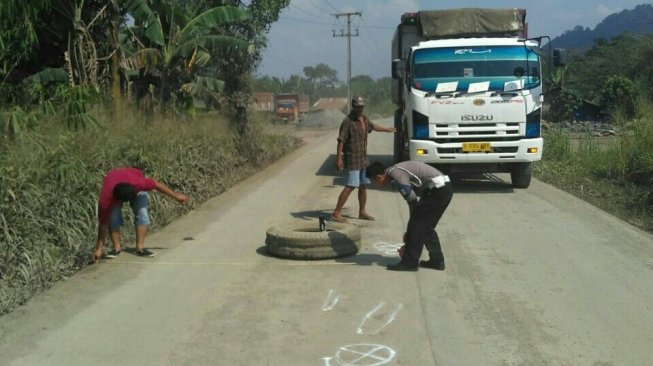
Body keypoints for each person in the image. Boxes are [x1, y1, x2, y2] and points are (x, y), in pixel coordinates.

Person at [366, 161, 453, 272]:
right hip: (442, 189)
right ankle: (437, 261)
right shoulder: (394, 171)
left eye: (374, 181)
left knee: (417, 225)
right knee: (426, 227)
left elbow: (412, 200)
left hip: (438, 190)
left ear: (378, 177)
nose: (376, 184)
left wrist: (409, 237)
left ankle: (409, 262)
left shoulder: (395, 174)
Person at [91, 167, 189, 262]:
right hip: (114, 182)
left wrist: (176, 196)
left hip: (133, 178)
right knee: (113, 216)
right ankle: (116, 248)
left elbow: (157, 185)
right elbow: (103, 223)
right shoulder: (106, 198)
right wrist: (99, 248)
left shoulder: (139, 183)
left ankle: (140, 248)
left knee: (142, 212)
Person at [332, 96, 395, 223]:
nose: (360, 109)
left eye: (362, 106)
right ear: (353, 107)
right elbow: (341, 140)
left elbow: (373, 126)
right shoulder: (347, 121)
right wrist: (339, 158)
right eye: (358, 106)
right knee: (350, 186)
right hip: (353, 159)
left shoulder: (364, 119)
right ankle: (336, 212)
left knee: (363, 185)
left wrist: (386, 130)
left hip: (363, 159)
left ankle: (362, 212)